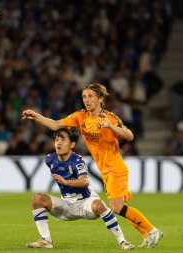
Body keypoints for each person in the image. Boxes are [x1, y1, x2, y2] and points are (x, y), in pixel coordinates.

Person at [22, 83, 163, 248]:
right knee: (121, 207)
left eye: (90, 96)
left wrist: (110, 126)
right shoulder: (81, 116)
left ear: (100, 99)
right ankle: (147, 234)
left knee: (116, 207)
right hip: (105, 170)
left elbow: (130, 136)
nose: (87, 100)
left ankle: (152, 230)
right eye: (84, 97)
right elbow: (55, 125)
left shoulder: (109, 117)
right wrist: (36, 116)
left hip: (115, 168)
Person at [26, 128, 134, 250]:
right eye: (56, 140)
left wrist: (66, 181)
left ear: (72, 144)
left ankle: (123, 242)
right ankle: (46, 240)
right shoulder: (50, 159)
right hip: (66, 204)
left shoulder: (77, 160)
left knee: (100, 206)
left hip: (85, 203)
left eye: (63, 140)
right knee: (37, 199)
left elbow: (85, 181)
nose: (58, 143)